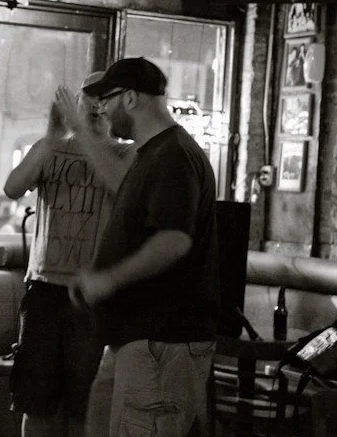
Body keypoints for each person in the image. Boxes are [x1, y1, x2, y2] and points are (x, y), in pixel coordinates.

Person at [76, 57, 219, 437]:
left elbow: (174, 241)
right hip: (138, 336)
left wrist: (109, 280)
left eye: (106, 98)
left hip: (163, 338)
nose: (100, 108)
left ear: (132, 98)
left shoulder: (173, 156)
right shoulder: (152, 153)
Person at [4, 72, 134, 437]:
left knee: (85, 405)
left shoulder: (127, 151)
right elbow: (13, 187)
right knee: (36, 401)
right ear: (74, 101)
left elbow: (123, 186)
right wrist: (51, 137)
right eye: (88, 97)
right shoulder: (50, 148)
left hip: (92, 294)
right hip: (44, 288)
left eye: (104, 98)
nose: (95, 106)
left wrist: (84, 132)